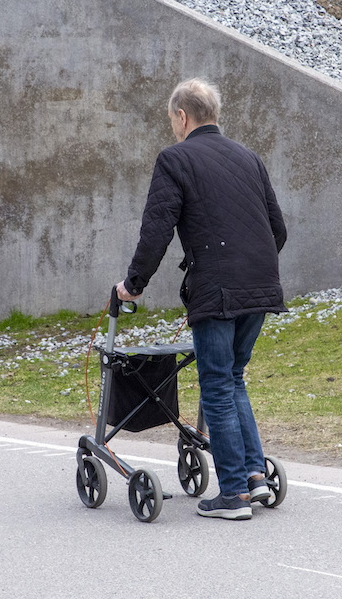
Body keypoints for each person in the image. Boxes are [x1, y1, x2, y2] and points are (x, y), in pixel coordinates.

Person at [116, 78, 287, 520]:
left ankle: (232, 495)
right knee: (234, 377)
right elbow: (278, 230)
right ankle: (254, 477)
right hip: (262, 285)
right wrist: (253, 268)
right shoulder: (249, 157)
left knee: (215, 384)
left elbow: (157, 229)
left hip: (217, 288)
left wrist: (133, 284)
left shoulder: (175, 159)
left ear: (181, 116)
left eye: (172, 118)